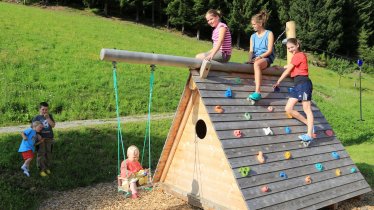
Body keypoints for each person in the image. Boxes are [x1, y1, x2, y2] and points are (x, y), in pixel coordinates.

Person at [273, 38, 314, 143]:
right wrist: (279, 67)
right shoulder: (296, 58)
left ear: (297, 45)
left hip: (304, 84)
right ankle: (309, 124)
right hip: (297, 85)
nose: (290, 49)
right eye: (288, 48)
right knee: (288, 108)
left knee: (307, 109)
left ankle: (309, 134)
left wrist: (278, 81)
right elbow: (288, 66)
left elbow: (288, 70)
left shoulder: (299, 55)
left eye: (292, 47)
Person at [247, 10, 275, 101]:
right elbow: (251, 51)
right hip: (256, 58)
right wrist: (249, 60)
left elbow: (269, 50)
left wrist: (259, 57)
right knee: (248, 65)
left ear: (260, 23)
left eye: (254, 24)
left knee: (257, 64)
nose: (253, 26)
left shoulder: (269, 34)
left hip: (266, 58)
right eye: (252, 24)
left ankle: (258, 92)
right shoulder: (253, 36)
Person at [32, 102, 56, 177]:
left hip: (49, 138)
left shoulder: (49, 116)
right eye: (43, 109)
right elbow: (33, 128)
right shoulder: (36, 118)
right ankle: (41, 169)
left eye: (46, 110)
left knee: (48, 153)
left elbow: (53, 125)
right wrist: (38, 136)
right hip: (41, 139)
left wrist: (48, 118)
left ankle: (47, 167)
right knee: (41, 154)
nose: (44, 111)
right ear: (39, 109)